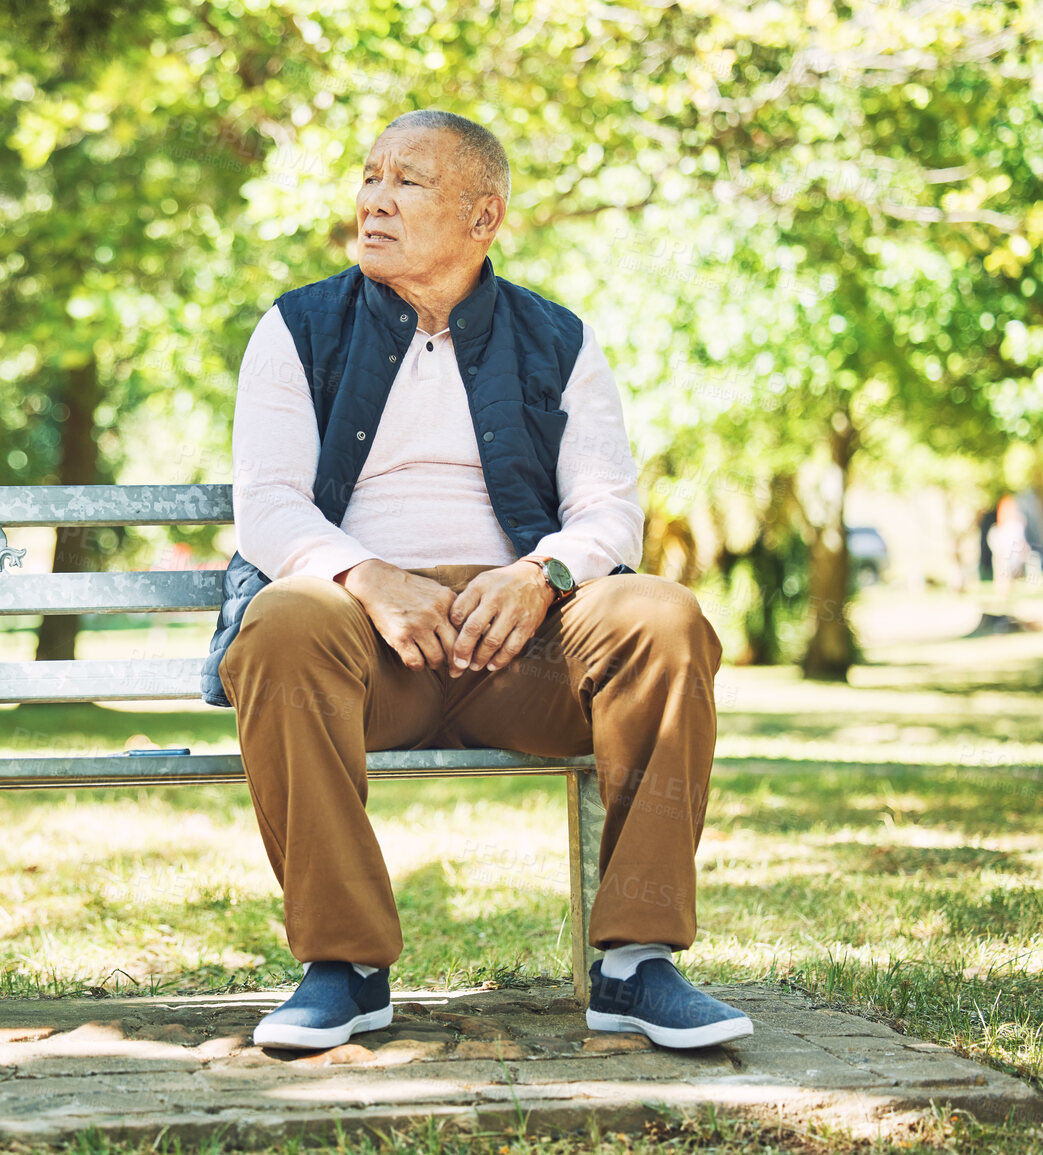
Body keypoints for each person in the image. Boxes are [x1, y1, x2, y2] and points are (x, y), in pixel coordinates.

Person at [202, 110, 752, 1052]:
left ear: (482, 214)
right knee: (283, 620)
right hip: (363, 643)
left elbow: (608, 512)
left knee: (663, 615)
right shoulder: (293, 329)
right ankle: (344, 967)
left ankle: (633, 964)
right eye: (369, 176)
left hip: (523, 646)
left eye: (407, 182)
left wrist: (540, 575)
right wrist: (370, 577)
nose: (374, 198)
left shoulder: (558, 338)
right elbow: (269, 506)